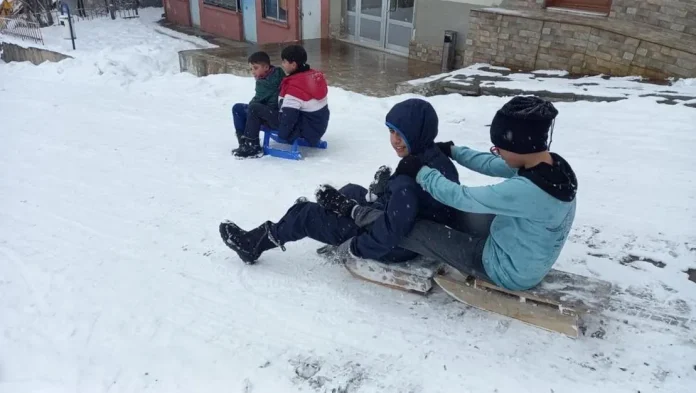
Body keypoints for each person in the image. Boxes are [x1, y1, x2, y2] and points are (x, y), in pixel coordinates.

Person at [317, 96, 578, 291]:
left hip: (506, 269)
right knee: (459, 218)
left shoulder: (527, 191)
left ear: (519, 146)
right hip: (524, 253)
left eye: (499, 148)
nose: (496, 153)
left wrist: (421, 171)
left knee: (412, 228)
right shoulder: (549, 167)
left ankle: (355, 218)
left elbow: (463, 197)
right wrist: (452, 150)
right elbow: (489, 164)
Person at [219, 98, 459, 263]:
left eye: (400, 133)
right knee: (352, 190)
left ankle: (253, 245)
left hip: (398, 247)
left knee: (305, 214)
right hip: (414, 234)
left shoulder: (410, 178)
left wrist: (353, 248)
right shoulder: (433, 159)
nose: (394, 140)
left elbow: (390, 232)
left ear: (417, 133)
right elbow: (409, 210)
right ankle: (309, 218)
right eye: (391, 131)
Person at [234, 45, 330, 159]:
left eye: (284, 61)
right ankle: (246, 143)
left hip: (304, 130)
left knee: (254, 108)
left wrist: (283, 136)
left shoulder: (294, 87)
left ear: (293, 64)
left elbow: (288, 117)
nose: (282, 64)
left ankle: (251, 147)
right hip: (317, 126)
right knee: (249, 108)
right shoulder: (312, 76)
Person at [231, 51, 284, 153]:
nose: (253, 71)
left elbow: (256, 101)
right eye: (251, 68)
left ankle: (249, 144)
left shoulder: (265, 83)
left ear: (266, 67)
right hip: (275, 113)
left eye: (255, 68)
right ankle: (245, 143)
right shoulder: (277, 73)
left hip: (273, 116)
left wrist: (251, 108)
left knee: (240, 109)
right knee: (243, 107)